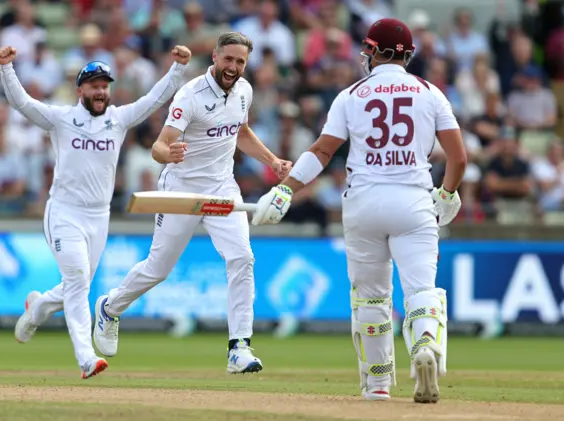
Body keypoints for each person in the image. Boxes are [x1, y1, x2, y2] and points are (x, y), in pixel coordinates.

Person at [251, 18, 466, 403]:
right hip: (414, 202)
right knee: (420, 290)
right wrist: (447, 194)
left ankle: (379, 384)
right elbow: (459, 158)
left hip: (364, 203)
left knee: (370, 298)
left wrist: (283, 192)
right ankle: (426, 344)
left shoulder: (351, 94)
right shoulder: (431, 92)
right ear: (409, 55)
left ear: (372, 51)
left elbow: (322, 152)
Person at [92, 32, 292, 374]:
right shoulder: (191, 94)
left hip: (222, 189)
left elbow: (240, 133)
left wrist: (272, 162)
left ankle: (239, 347)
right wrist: (167, 153)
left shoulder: (244, 90)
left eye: (240, 61)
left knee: (242, 258)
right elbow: (159, 145)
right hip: (181, 190)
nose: (233, 67)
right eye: (227, 59)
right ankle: (110, 308)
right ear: (214, 56)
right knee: (158, 269)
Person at [0, 44, 192, 379]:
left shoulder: (118, 120)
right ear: (80, 90)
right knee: (77, 281)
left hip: (98, 217)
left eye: (105, 85)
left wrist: (177, 69)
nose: (101, 91)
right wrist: (6, 68)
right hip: (63, 212)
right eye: (94, 85)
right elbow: (21, 103)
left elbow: (154, 100)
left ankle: (38, 308)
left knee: (77, 284)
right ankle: (86, 358)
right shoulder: (61, 119)